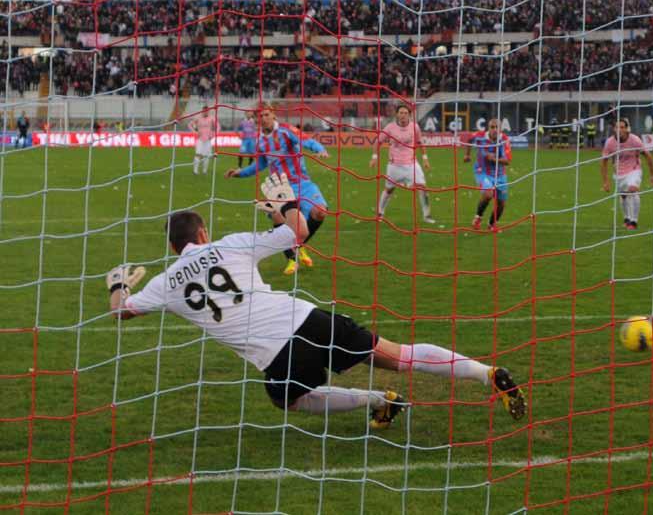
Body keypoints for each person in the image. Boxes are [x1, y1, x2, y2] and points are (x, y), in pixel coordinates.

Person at [106, 174, 526, 428]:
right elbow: (298, 233)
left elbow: (122, 312)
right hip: (304, 318)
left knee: (289, 400)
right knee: (394, 354)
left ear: (175, 244)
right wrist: (282, 206)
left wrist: (117, 284)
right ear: (201, 235)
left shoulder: (166, 282)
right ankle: (486, 373)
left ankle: (382, 400)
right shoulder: (230, 244)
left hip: (273, 354)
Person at [224, 104, 330, 276]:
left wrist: (320, 149)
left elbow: (306, 140)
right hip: (280, 187)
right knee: (278, 216)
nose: (263, 118)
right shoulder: (260, 141)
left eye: (266, 114)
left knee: (320, 212)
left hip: (302, 183)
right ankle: (291, 259)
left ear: (273, 115)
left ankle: (299, 246)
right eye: (260, 116)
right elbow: (261, 164)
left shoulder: (286, 131)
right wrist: (240, 173)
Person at [369, 104, 435, 223]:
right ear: (397, 114)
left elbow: (420, 142)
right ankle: (380, 213)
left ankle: (427, 215)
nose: (403, 115)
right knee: (389, 190)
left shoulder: (415, 127)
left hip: (411, 164)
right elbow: (377, 142)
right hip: (394, 166)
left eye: (405, 113)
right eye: (401, 113)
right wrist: (374, 157)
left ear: (409, 114)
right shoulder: (390, 128)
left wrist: (425, 158)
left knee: (423, 188)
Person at [601, 119, 653, 230]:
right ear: (614, 129)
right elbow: (603, 162)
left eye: (622, 127)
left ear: (627, 129)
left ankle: (634, 221)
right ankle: (627, 218)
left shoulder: (635, 140)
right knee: (623, 195)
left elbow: (647, 156)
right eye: (617, 127)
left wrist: (652, 175)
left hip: (634, 170)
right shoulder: (610, 142)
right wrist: (605, 181)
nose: (619, 129)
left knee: (633, 189)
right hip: (619, 173)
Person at [464, 119, 512, 231]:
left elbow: (508, 161)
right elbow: (469, 139)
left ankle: (492, 224)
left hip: (500, 174)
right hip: (482, 172)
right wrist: (467, 155)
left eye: (497, 127)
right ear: (488, 128)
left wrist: (494, 159)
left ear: (500, 129)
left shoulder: (504, 139)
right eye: (492, 127)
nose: (494, 130)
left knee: (501, 203)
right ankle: (478, 218)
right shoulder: (480, 136)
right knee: (488, 193)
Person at [189, 109, 216, 175]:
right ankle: (195, 171)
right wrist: (195, 132)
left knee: (206, 156)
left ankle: (204, 171)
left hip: (208, 139)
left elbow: (218, 127)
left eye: (207, 111)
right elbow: (190, 125)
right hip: (200, 139)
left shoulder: (212, 118)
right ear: (202, 111)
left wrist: (213, 134)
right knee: (198, 154)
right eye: (204, 111)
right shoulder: (198, 118)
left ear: (208, 112)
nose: (205, 112)